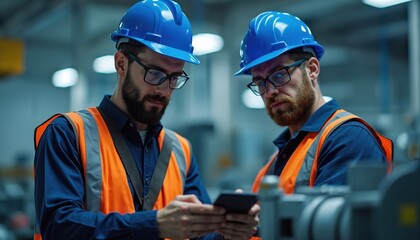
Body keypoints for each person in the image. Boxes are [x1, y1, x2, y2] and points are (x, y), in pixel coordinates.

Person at [33, 1, 258, 239]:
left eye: (174, 77)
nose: (164, 89)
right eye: (155, 73)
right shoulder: (68, 134)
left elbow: (199, 234)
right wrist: (154, 224)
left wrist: (227, 232)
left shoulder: (180, 151)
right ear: (121, 64)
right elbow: (58, 226)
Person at [235, 11, 393, 196]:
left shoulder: (349, 139)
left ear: (312, 69)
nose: (269, 91)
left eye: (279, 75)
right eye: (260, 82)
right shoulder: (277, 158)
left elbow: (333, 224)